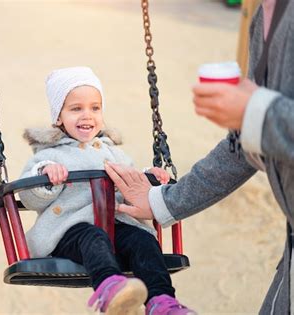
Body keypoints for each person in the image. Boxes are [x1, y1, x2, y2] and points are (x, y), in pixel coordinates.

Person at [104, 1, 294, 313]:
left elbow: (259, 118)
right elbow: (244, 146)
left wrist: (255, 111)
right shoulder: (263, 16)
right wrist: (161, 201)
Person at [18, 66, 196, 315]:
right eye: (76, 108)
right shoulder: (49, 154)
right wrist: (47, 176)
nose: (87, 116)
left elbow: (131, 180)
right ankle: (110, 289)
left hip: (116, 227)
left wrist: (151, 176)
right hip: (70, 232)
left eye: (95, 108)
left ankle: (162, 302)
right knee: (93, 237)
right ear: (58, 117)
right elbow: (28, 194)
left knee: (143, 240)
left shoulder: (113, 152)